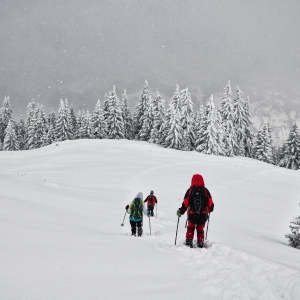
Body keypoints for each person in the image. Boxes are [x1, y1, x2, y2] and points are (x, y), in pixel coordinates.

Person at [177, 174, 214, 248]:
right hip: (203, 215)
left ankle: (189, 242)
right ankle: (200, 243)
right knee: (200, 229)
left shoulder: (190, 191)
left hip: (192, 215)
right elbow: (211, 204)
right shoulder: (205, 191)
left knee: (191, 228)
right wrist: (209, 210)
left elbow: (185, 203)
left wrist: (181, 211)